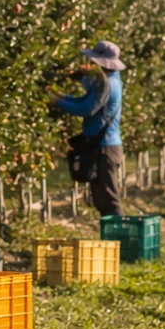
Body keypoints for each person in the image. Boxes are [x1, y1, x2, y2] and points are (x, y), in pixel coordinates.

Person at [50, 41, 127, 216]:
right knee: (101, 198)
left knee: (108, 198)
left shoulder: (107, 84)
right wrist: (61, 96)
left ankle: (120, 239)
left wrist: (57, 102)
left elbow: (86, 109)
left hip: (105, 148)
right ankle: (111, 239)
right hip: (103, 147)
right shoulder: (108, 80)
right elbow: (84, 100)